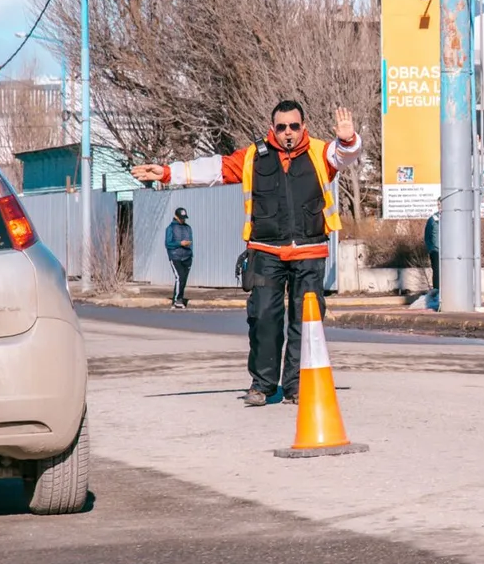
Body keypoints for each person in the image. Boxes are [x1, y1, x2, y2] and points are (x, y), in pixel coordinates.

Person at [131, 100, 363, 407]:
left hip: (310, 252)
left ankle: (297, 385)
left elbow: (345, 155)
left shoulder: (322, 152)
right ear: (272, 129)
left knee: (306, 322)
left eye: (294, 126)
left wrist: (348, 138)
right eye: (281, 127)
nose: (287, 133)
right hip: (265, 252)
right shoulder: (254, 156)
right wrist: (165, 173)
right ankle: (263, 385)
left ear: (303, 127)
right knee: (263, 317)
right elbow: (213, 169)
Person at [165, 207, 193, 308]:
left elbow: (190, 242)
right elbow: (168, 244)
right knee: (179, 277)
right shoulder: (170, 228)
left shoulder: (187, 228)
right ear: (176, 216)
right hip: (175, 256)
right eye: (181, 218)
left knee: (183, 279)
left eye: (184, 218)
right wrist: (180, 243)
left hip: (187, 257)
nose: (183, 220)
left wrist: (190, 253)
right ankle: (176, 299)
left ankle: (180, 297)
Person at [424, 207, 440, 296]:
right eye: (438, 204)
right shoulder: (433, 219)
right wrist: (431, 249)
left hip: (449, 253)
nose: (440, 206)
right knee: (437, 273)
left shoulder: (452, 217)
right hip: (436, 251)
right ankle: (437, 294)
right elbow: (427, 236)